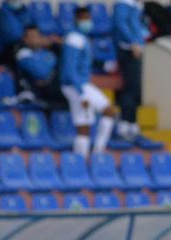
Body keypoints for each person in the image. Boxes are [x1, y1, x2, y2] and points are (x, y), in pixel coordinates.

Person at [60, 6, 117, 158]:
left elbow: (85, 61)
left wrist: (104, 65)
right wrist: (81, 94)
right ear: (77, 19)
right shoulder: (74, 39)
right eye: (84, 18)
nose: (87, 21)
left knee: (104, 114)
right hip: (74, 86)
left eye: (89, 18)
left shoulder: (82, 38)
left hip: (82, 84)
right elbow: (69, 69)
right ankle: (84, 159)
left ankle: (96, 153)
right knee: (85, 126)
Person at [112, 0, 146, 141]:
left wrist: (140, 40)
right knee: (130, 88)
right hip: (128, 49)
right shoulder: (124, 3)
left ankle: (132, 121)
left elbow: (136, 24)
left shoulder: (136, 4)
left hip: (136, 47)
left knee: (135, 88)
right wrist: (133, 42)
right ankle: (125, 122)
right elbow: (120, 23)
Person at [15, 25, 65, 106]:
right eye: (31, 37)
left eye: (36, 36)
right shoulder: (23, 53)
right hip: (35, 92)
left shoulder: (48, 52)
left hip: (52, 92)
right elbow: (40, 73)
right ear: (25, 39)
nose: (35, 39)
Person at [0, 0, 34, 64]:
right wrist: (31, 38)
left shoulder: (25, 11)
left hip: (23, 45)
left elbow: (35, 30)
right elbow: (13, 35)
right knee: (23, 52)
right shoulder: (2, 12)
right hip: (4, 51)